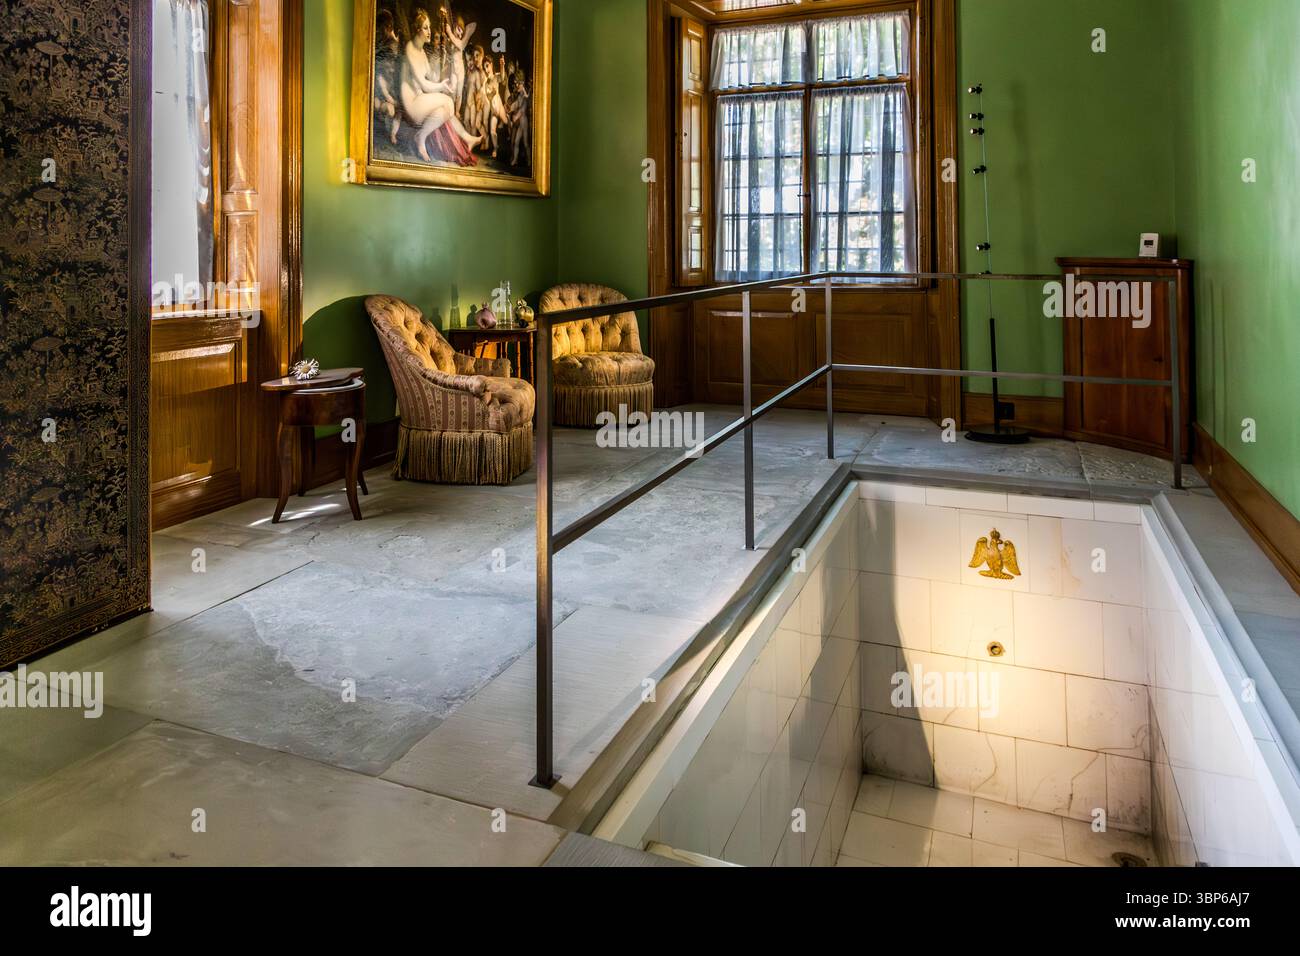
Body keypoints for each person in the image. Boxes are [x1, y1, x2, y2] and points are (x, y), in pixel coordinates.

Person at [400, 9, 481, 165]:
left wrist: (443, 71)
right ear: (417, 29)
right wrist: (440, 86)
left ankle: (467, 138)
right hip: (411, 105)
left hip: (420, 100)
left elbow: (432, 78)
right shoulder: (410, 48)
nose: (429, 31)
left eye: (429, 27)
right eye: (425, 27)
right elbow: (424, 84)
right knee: (449, 103)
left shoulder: (423, 53)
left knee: (444, 110)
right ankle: (421, 137)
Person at [373, 9, 402, 145]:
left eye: (380, 29)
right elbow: (380, 75)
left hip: (392, 90)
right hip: (384, 90)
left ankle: (392, 134)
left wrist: (390, 96)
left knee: (392, 110)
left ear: (388, 27)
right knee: (378, 105)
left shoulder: (391, 46)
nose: (379, 33)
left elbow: (385, 73)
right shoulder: (387, 45)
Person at [442, 12, 477, 115]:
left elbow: (460, 46)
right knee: (452, 88)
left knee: (459, 93)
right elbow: (449, 49)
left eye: (462, 33)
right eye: (459, 30)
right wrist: (446, 38)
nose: (460, 35)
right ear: (455, 26)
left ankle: (457, 112)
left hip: (460, 70)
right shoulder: (452, 39)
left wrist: (449, 33)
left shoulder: (460, 41)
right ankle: (451, 110)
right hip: (453, 68)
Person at [508, 74, 530, 167]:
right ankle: (515, 160)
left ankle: (529, 161)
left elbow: (522, 109)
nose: (516, 85)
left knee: (525, 143)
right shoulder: (520, 95)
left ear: (523, 83)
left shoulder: (525, 96)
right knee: (516, 142)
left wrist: (516, 116)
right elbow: (516, 104)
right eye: (516, 83)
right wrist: (510, 108)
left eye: (518, 83)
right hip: (520, 122)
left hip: (524, 122)